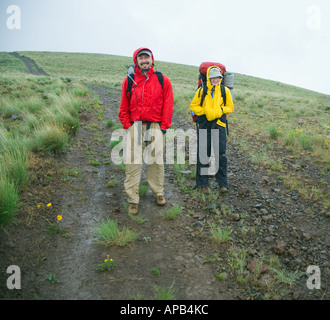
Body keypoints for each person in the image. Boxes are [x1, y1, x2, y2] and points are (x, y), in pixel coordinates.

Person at [119, 48, 174, 215]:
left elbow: (168, 105)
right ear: (136, 61)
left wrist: (164, 127)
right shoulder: (128, 81)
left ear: (152, 60)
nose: (144, 60)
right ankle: (133, 199)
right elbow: (123, 107)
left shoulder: (163, 80)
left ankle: (158, 192)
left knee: (156, 162)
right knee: (133, 163)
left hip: (156, 126)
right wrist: (128, 125)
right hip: (135, 126)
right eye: (141, 58)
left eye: (147, 57)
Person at [189, 66, 234, 195]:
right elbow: (193, 106)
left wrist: (220, 111)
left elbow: (230, 107)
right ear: (209, 78)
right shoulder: (202, 91)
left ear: (221, 78)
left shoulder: (225, 91)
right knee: (203, 154)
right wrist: (204, 112)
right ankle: (203, 184)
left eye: (218, 77)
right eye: (213, 77)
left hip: (219, 124)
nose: (215, 80)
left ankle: (223, 184)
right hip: (204, 124)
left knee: (220, 155)